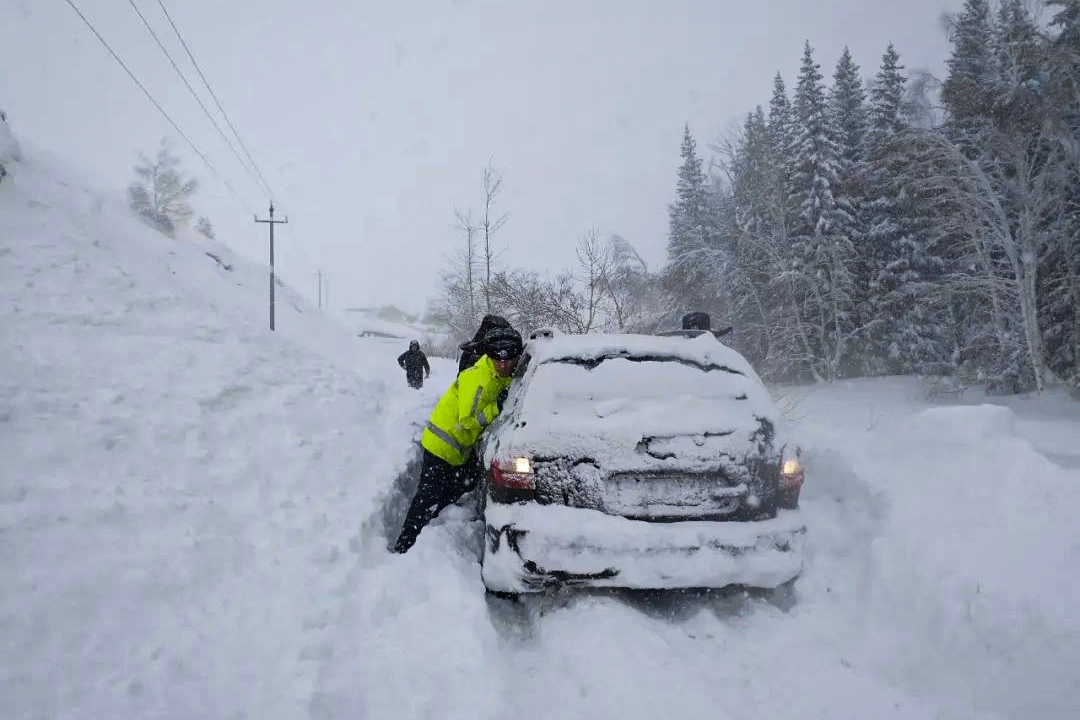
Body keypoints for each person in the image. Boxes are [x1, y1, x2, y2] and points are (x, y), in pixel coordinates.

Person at [392, 327, 524, 553]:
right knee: (427, 495)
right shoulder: (478, 379)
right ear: (490, 357)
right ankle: (405, 544)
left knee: (463, 482)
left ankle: (435, 520)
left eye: (509, 360)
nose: (503, 365)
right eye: (497, 360)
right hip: (442, 443)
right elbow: (467, 422)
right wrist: (496, 407)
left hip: (457, 447)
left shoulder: (501, 375)